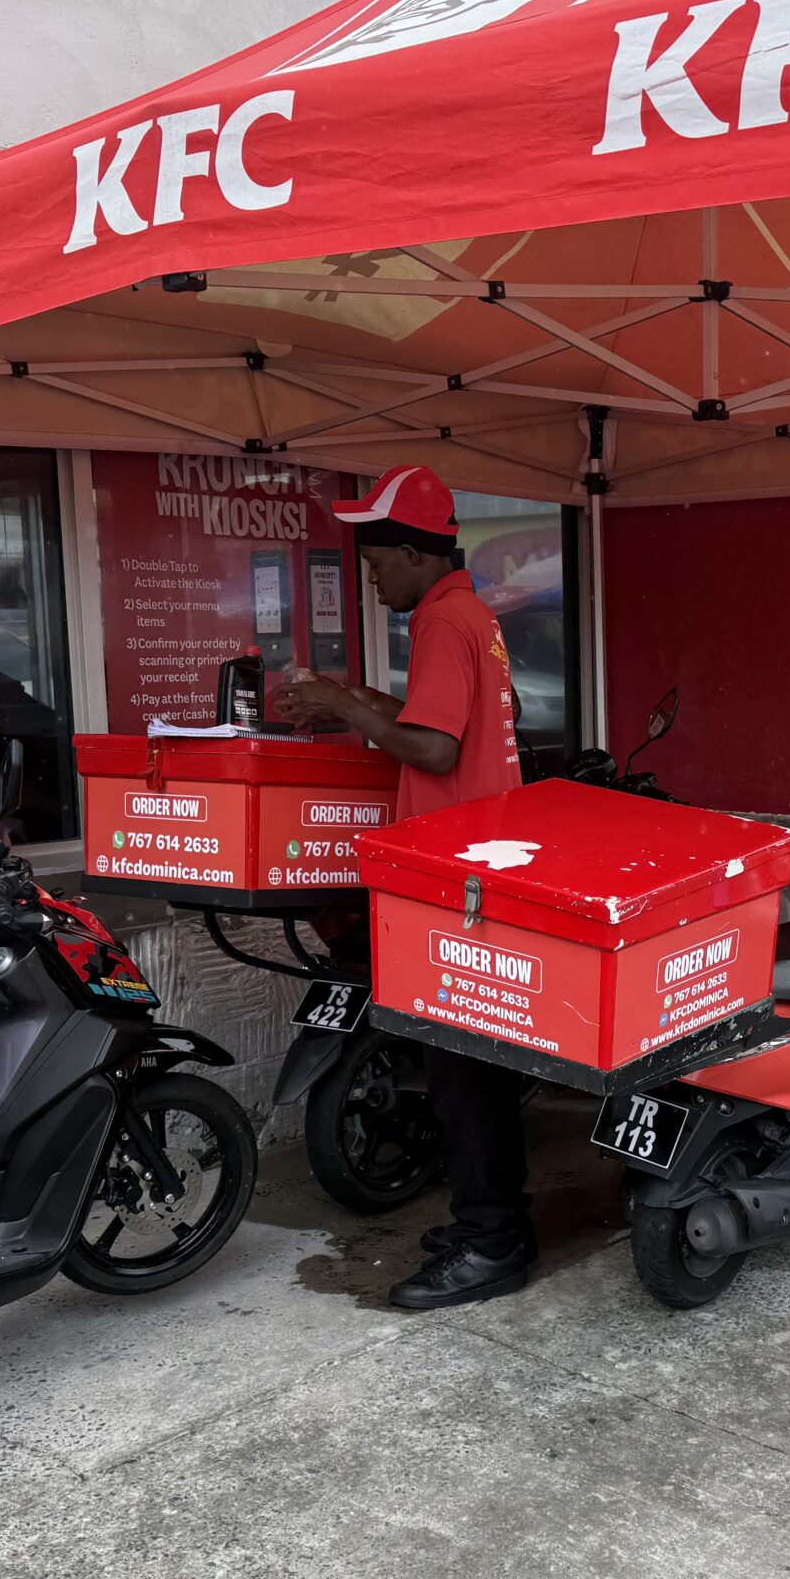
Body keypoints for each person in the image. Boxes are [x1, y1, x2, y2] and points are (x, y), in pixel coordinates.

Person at [270, 466, 533, 1311]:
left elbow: (434, 750)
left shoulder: (442, 620)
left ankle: (493, 1243)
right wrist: (351, 700)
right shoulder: (470, 614)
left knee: (464, 1072)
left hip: (456, 878)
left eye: (378, 562)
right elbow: (441, 718)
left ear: (416, 555)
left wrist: (345, 707)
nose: (373, 579)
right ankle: (489, 1224)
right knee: (468, 1067)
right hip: (473, 867)